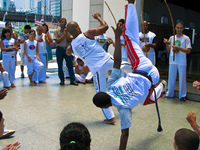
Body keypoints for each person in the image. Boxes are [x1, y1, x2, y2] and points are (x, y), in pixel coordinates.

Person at [93, 1, 166, 150]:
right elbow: (118, 60)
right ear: (104, 93)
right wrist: (118, 37)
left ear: (107, 106)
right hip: (141, 67)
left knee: (146, 100)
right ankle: (131, 4)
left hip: (153, 78)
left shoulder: (124, 109)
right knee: (130, 38)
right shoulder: (110, 85)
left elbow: (125, 134)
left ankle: (161, 88)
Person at [66, 13, 116, 124]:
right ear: (78, 28)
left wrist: (71, 40)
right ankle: (144, 73)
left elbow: (68, 53)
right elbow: (105, 26)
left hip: (97, 69)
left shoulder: (71, 47)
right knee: (127, 66)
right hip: (108, 60)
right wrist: (98, 17)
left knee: (100, 94)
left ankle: (110, 118)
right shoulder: (89, 33)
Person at [163, 22, 192, 101]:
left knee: (182, 78)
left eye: (181, 28)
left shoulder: (186, 38)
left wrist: (178, 48)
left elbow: (188, 50)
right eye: (178, 28)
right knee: (171, 78)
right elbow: (169, 50)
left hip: (181, 61)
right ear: (175, 28)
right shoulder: (172, 38)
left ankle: (182, 95)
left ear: (183, 29)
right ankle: (170, 93)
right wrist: (166, 44)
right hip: (172, 60)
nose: (179, 29)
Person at [53, 18, 78, 86]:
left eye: (65, 22)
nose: (64, 23)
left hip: (67, 49)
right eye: (63, 22)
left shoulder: (69, 31)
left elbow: (70, 40)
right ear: (60, 23)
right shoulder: (57, 31)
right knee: (60, 65)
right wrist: (63, 35)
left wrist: (66, 33)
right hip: (59, 49)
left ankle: (72, 80)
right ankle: (62, 80)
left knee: (70, 65)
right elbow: (57, 41)